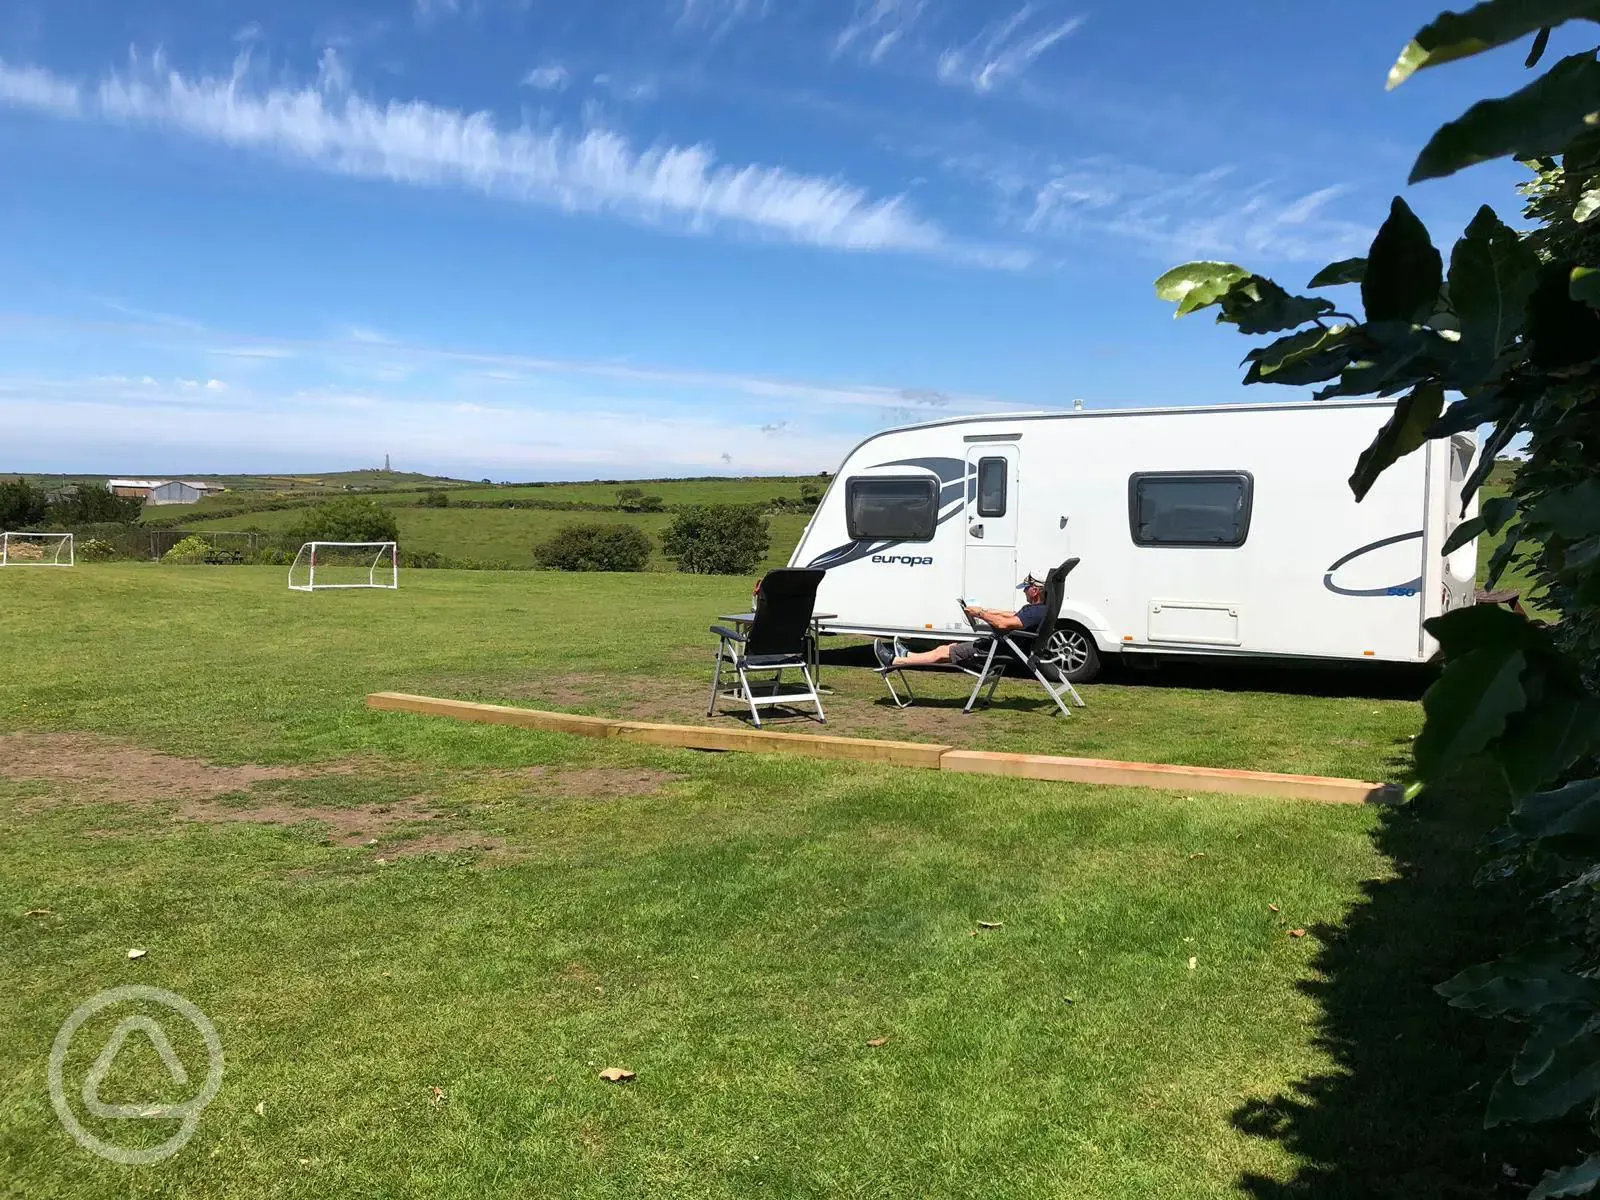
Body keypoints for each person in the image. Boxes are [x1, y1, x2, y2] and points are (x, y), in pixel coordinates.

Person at [875, 572, 1050, 673]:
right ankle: (906, 655)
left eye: (1026, 589)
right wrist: (985, 610)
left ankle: (893, 661)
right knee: (947, 648)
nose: (1024, 592)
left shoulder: (1034, 612)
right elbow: (1011, 615)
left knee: (943, 654)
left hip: (995, 651)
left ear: (1035, 590)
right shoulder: (1036, 609)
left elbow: (1004, 624)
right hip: (995, 646)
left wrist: (980, 613)